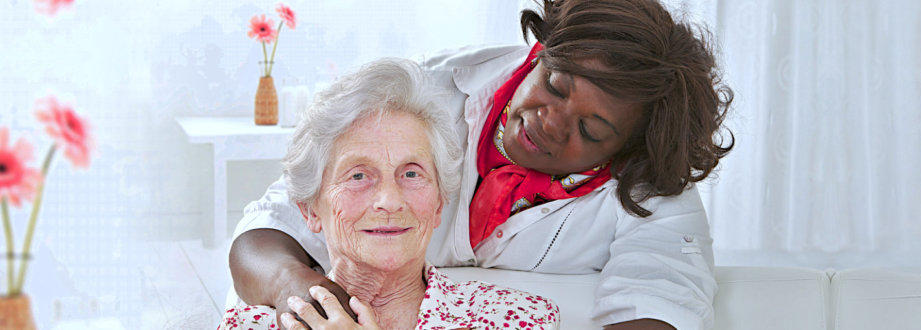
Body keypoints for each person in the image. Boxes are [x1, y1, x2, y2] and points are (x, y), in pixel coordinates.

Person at [231, 0, 733, 328]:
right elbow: (271, 225)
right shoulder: (423, 92)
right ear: (541, 51)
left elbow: (659, 304)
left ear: (630, 148)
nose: (551, 123)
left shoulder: (655, 190)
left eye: (590, 130)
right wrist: (297, 291)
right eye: (554, 85)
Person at [219, 58, 558, 330]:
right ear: (309, 211)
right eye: (358, 175)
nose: (390, 201)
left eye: (411, 173)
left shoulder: (516, 317)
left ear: (439, 203)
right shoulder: (249, 324)